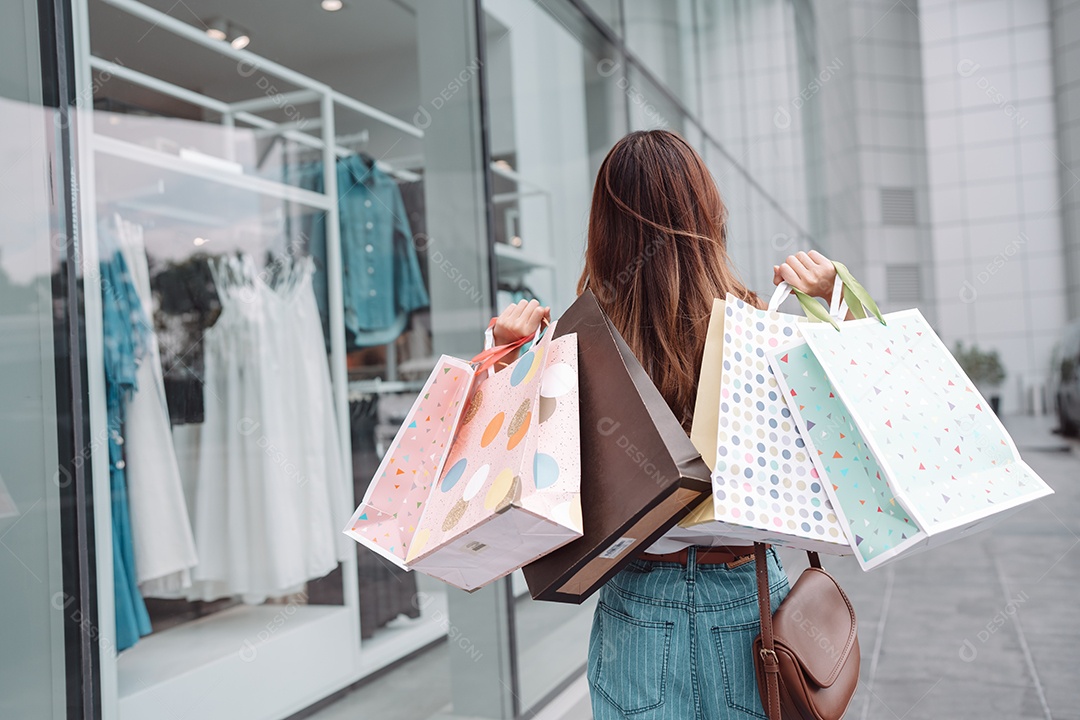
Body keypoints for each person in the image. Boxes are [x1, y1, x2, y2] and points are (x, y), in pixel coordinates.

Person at [492, 130, 839, 720]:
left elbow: (522, 490)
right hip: (751, 603)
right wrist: (835, 309)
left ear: (603, 229)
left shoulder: (576, 345)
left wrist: (509, 365)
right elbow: (837, 452)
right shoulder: (760, 328)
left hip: (637, 604)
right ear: (707, 215)